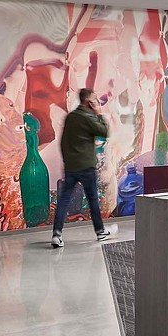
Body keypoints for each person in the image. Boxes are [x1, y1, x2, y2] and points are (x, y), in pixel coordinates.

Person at [52, 88, 110, 248]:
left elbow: (63, 142)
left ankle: (56, 234)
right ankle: (100, 232)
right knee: (92, 199)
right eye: (94, 100)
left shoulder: (71, 117)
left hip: (71, 166)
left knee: (63, 200)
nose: (96, 102)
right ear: (88, 102)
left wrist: (67, 161)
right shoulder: (88, 118)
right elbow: (104, 132)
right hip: (86, 166)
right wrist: (98, 113)